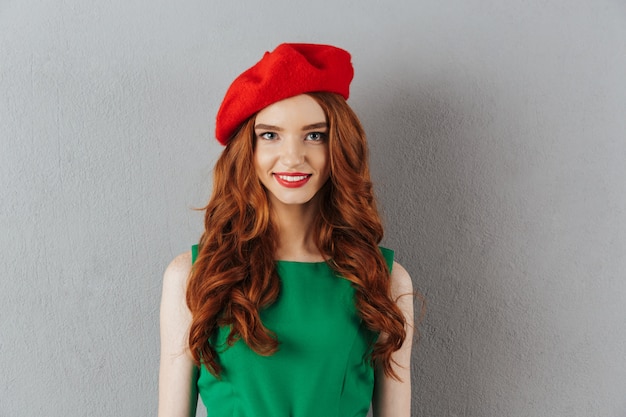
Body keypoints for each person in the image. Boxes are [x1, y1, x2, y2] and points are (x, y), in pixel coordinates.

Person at [158, 43, 415, 417]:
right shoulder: (194, 276)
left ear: (339, 146)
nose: (293, 157)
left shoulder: (383, 281)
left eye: (315, 135)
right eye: (270, 135)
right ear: (247, 149)